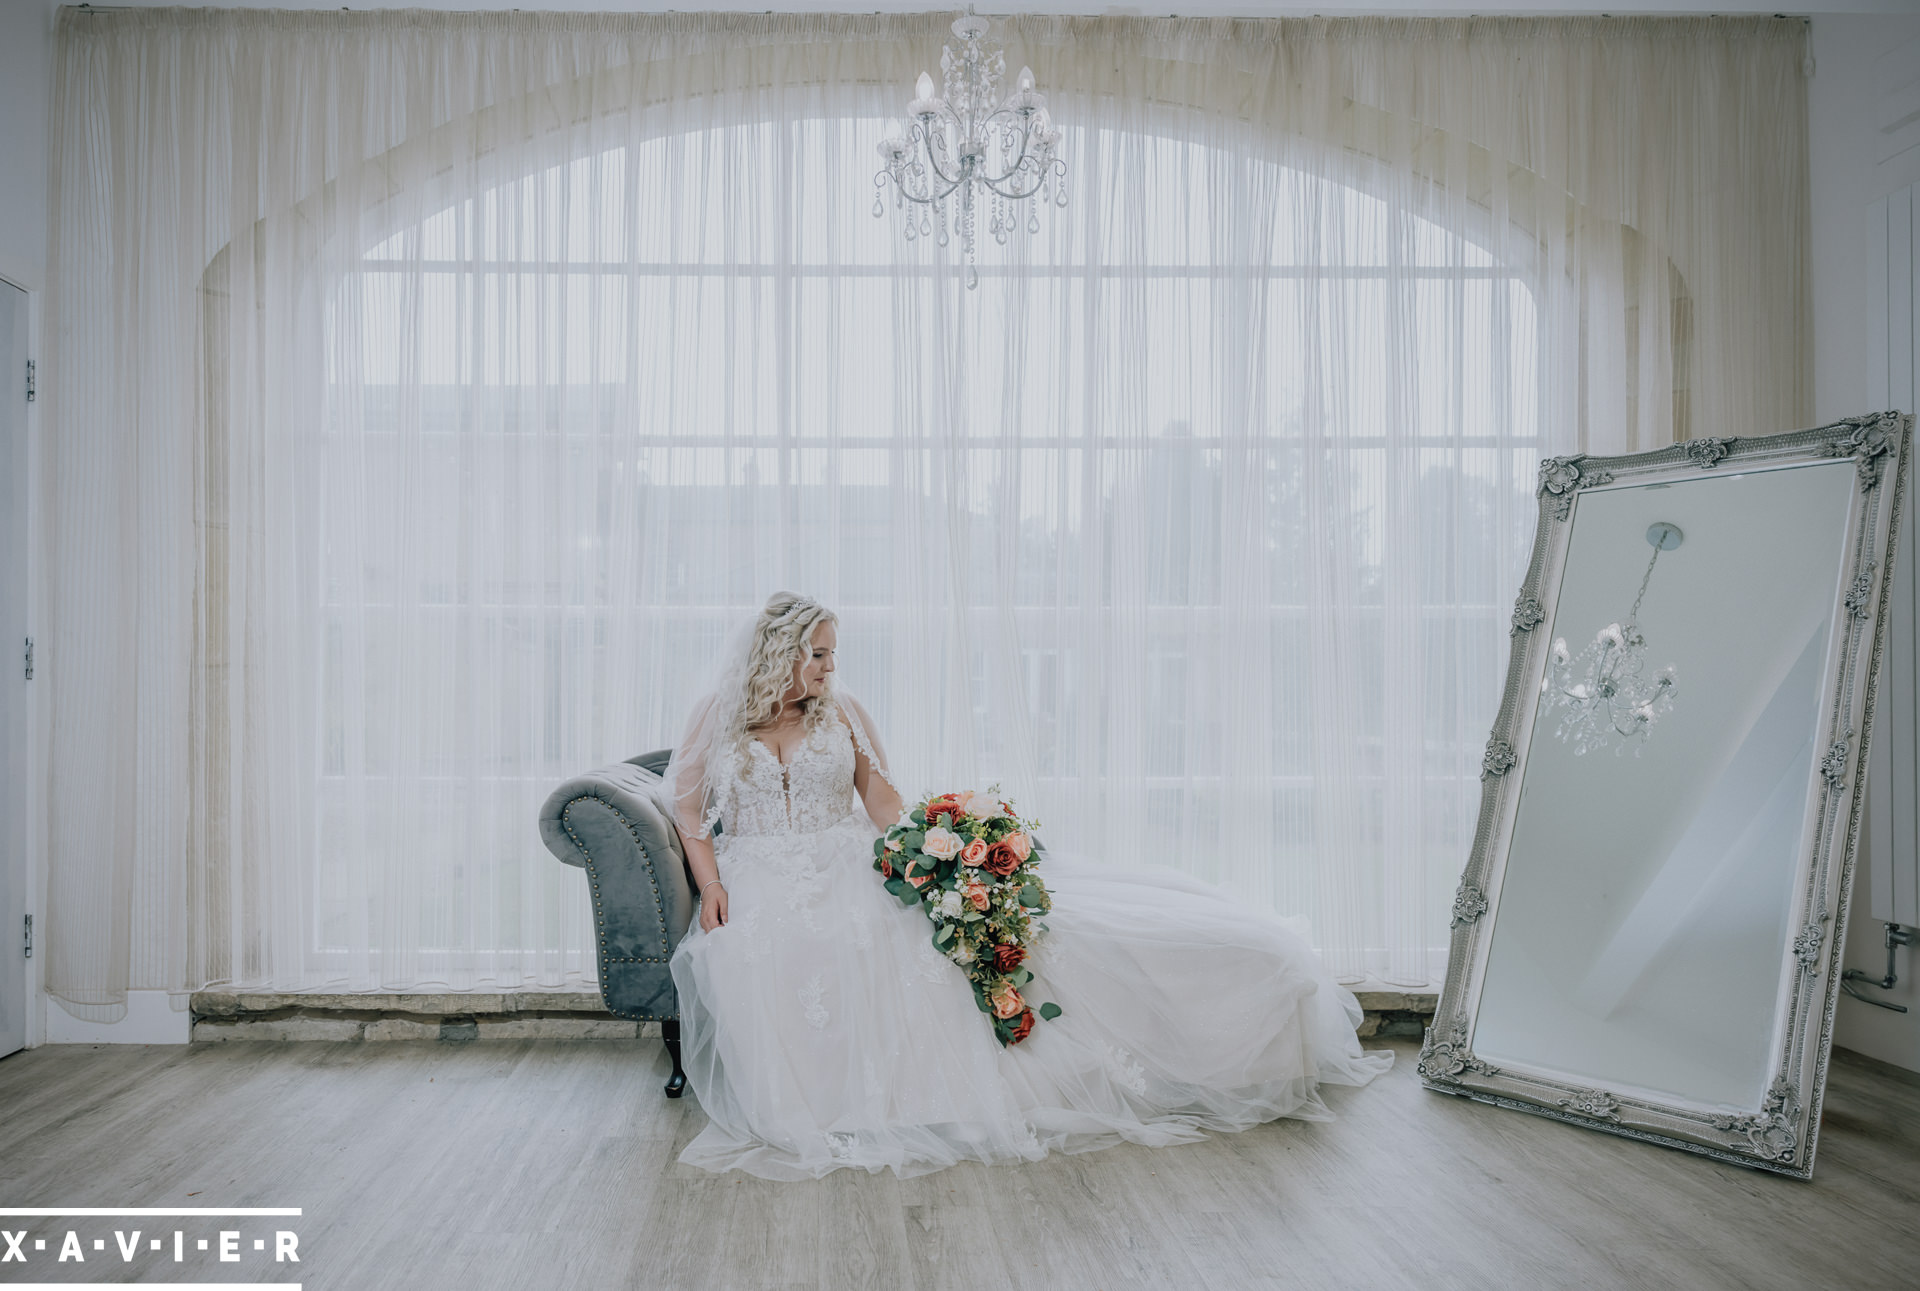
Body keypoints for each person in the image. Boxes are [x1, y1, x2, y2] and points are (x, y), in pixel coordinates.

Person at [662, 591, 1391, 1180]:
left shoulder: (845, 713)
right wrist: (712, 881)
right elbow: (690, 808)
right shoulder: (717, 716)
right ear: (779, 654)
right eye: (817, 653)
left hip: (850, 861)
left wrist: (942, 850)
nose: (828, 666)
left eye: (832, 652)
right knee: (773, 956)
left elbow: (884, 806)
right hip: (759, 874)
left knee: (944, 949)